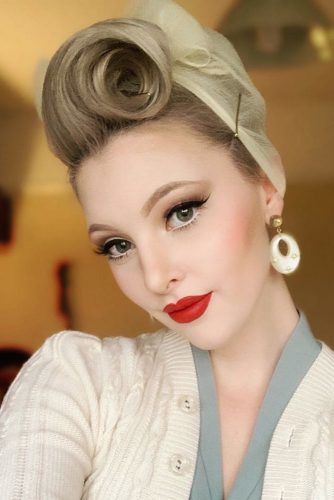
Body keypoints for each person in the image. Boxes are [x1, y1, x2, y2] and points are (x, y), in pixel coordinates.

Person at [0, 0, 333, 498]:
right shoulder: (80, 384)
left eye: (181, 211)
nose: (155, 278)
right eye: (117, 245)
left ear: (266, 186)